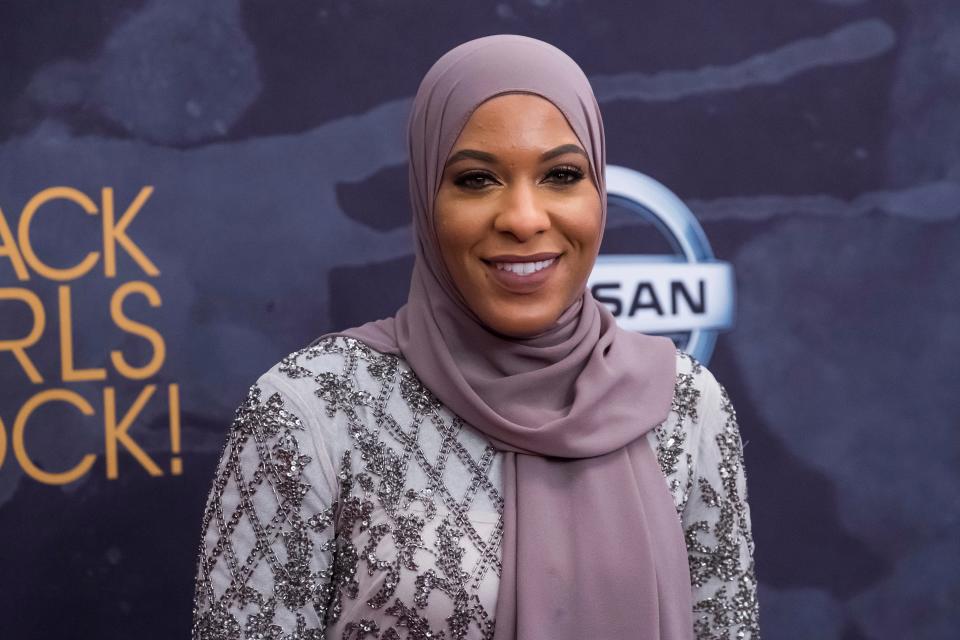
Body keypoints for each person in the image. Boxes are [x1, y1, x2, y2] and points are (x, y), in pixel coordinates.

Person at [191, 35, 760, 640]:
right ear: (425, 198)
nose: (523, 217)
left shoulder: (684, 404)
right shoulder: (312, 413)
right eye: (477, 180)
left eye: (562, 175)